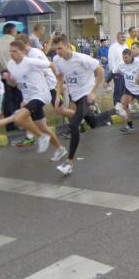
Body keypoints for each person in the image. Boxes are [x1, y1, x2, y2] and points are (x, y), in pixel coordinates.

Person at [0, 41, 66, 164]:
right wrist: (9, 79)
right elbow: (13, 83)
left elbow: (52, 65)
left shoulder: (30, 62)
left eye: (15, 51)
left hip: (40, 95)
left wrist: (60, 83)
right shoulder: (11, 64)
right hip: (28, 98)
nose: (12, 54)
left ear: (23, 52)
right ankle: (60, 149)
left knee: (19, 118)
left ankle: (41, 137)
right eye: (11, 51)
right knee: (42, 127)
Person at [52, 34, 104, 176]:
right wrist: (58, 95)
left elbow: (100, 71)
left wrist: (93, 92)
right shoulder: (57, 60)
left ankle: (69, 163)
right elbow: (60, 76)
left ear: (68, 46)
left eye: (60, 48)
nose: (58, 52)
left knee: (73, 124)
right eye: (55, 49)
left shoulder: (82, 58)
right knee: (87, 121)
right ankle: (93, 111)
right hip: (74, 95)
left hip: (86, 94)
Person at [113, 48, 139, 133]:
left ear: (131, 56)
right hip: (129, 89)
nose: (124, 59)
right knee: (124, 103)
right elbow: (113, 72)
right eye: (123, 57)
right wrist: (107, 81)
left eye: (126, 57)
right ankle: (129, 125)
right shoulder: (121, 64)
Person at [0, 23, 22, 131]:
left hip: (3, 73)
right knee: (19, 99)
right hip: (16, 72)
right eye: (16, 31)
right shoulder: (15, 43)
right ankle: (19, 122)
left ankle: (9, 125)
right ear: (12, 31)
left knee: (8, 99)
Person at [107, 32, 128, 114]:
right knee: (118, 91)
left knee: (125, 91)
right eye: (122, 37)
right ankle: (117, 108)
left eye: (124, 37)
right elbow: (111, 61)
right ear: (117, 38)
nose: (124, 39)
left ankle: (124, 106)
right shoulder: (113, 47)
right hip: (117, 73)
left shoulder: (126, 46)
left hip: (126, 73)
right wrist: (113, 74)